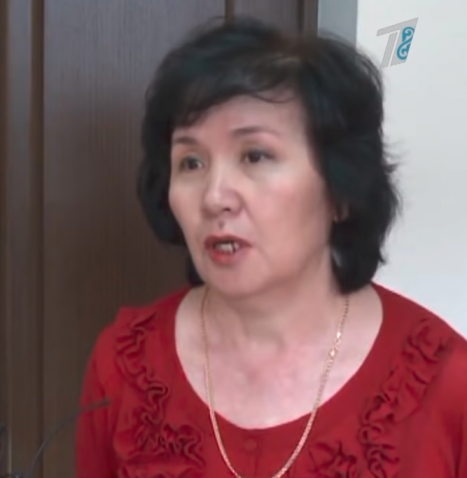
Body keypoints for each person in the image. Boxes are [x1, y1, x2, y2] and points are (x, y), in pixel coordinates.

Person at [74, 16, 467, 478]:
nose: (215, 197)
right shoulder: (124, 365)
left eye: (255, 156)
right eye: (191, 162)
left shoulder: (447, 382)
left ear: (340, 190)